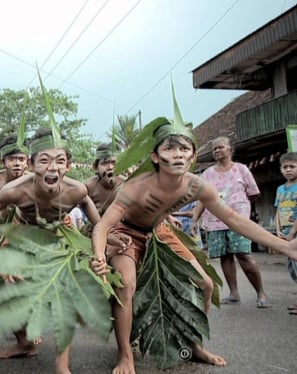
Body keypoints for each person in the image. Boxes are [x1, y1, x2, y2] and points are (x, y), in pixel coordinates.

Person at [90, 118, 297, 374]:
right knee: (127, 283)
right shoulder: (135, 187)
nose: (178, 155)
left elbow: (234, 219)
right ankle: (125, 356)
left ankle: (194, 345)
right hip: (126, 233)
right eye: (169, 149)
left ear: (193, 156)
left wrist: (286, 247)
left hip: (160, 232)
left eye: (184, 149)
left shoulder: (197, 186)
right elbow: (103, 226)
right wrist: (100, 254)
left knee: (205, 284)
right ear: (155, 156)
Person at [0, 127, 100, 373]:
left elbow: (96, 220)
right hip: (23, 234)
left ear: (69, 166)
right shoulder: (14, 190)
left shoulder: (78, 190)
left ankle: (62, 364)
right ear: (31, 164)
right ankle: (24, 343)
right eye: (44, 160)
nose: (52, 168)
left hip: (61, 236)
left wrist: (102, 244)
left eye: (60, 161)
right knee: (4, 289)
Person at [192, 136, 270, 307]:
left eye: (221, 147)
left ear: (230, 149)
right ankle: (233, 293)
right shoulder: (207, 174)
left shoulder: (241, 170)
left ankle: (261, 292)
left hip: (238, 221)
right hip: (214, 221)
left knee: (244, 255)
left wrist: (243, 213)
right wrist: (195, 219)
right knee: (225, 257)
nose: (217, 151)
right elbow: (202, 199)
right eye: (214, 149)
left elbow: (253, 194)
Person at [0, 134, 29, 244]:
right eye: (11, 159)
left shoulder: (32, 181)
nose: (17, 163)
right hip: (1, 224)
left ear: (27, 163)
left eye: (21, 159)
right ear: (2, 162)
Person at [273, 152, 297, 315]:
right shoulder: (280, 189)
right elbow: (278, 211)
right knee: (292, 269)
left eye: (292, 167)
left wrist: (292, 233)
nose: (288, 170)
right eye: (285, 167)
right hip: (285, 234)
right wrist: (278, 230)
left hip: (295, 235)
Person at [84, 143, 126, 215]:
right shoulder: (89, 187)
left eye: (114, 162)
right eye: (104, 163)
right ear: (95, 167)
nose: (110, 167)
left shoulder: (128, 185)